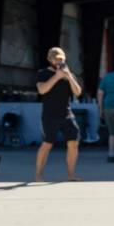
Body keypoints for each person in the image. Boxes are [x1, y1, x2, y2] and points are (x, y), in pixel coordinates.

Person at [34, 46, 83, 181]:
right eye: (56, 59)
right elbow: (42, 90)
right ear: (49, 59)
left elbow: (78, 92)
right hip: (50, 115)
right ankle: (38, 175)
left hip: (67, 114)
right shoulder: (43, 73)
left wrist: (69, 76)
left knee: (73, 142)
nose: (58, 62)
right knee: (47, 144)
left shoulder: (69, 74)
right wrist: (56, 77)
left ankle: (71, 174)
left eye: (61, 59)